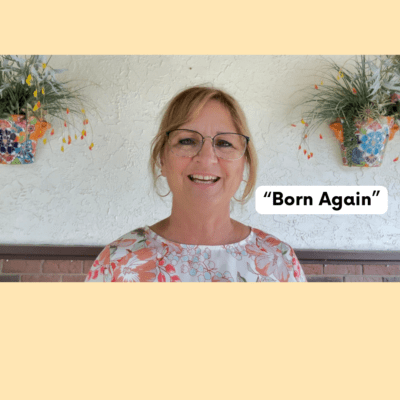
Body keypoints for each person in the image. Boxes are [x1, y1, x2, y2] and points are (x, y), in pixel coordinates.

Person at [85, 86, 307, 282]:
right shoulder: (117, 262)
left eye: (224, 143)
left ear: (244, 163)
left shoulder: (280, 262)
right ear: (162, 159)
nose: (207, 157)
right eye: (187, 141)